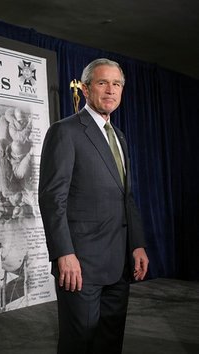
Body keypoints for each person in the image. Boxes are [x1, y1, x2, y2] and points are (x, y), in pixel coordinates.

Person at [38, 58, 149, 354]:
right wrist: (64, 252)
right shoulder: (66, 131)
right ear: (86, 89)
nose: (110, 90)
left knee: (110, 342)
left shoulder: (121, 138)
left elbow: (126, 197)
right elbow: (52, 198)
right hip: (81, 266)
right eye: (102, 83)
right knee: (80, 344)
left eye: (117, 84)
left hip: (119, 263)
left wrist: (136, 244)